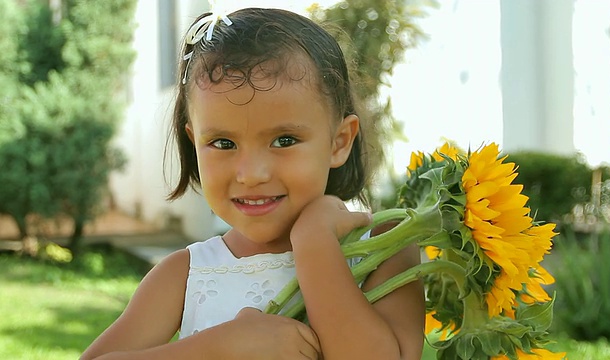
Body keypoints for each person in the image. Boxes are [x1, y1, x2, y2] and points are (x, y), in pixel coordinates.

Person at [81, 6, 425, 360]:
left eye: (285, 140)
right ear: (194, 141)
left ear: (339, 141)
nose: (251, 174)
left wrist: (315, 244)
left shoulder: (385, 246)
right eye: (223, 144)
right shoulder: (184, 275)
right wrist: (218, 348)